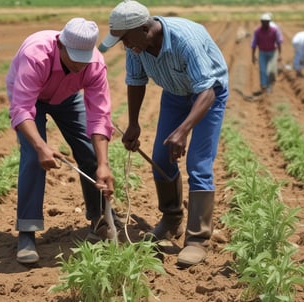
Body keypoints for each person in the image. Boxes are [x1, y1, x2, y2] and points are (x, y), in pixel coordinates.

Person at [99, 0, 229, 267]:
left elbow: (207, 90)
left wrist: (182, 131)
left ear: (145, 28)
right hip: (175, 94)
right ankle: (172, 220)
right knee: (161, 159)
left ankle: (197, 239)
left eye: (125, 39)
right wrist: (133, 123)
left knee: (198, 164)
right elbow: (136, 81)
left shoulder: (185, 40)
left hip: (207, 95)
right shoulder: (136, 47)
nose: (124, 46)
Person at [6, 18, 117, 264]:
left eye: (84, 57)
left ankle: (99, 218)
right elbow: (21, 108)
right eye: (74, 56)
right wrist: (41, 146)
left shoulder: (94, 63)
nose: (79, 63)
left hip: (66, 97)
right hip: (30, 97)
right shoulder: (36, 55)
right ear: (60, 45)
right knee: (35, 158)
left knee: (89, 153)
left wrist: (103, 164)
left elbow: (99, 116)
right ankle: (27, 232)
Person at [251, 13, 283, 94]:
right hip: (262, 53)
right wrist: (253, 56)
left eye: (267, 21)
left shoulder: (274, 30)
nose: (265, 23)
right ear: (261, 22)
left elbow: (279, 42)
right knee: (263, 70)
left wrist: (280, 54)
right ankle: (264, 86)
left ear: (269, 22)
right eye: (263, 22)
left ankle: (270, 84)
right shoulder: (257, 31)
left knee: (271, 71)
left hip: (272, 53)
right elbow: (254, 44)